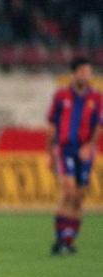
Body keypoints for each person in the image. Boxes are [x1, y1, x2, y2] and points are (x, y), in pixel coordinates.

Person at [47, 57, 101, 255]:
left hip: (85, 151)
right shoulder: (61, 96)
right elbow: (52, 125)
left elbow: (98, 125)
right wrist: (50, 152)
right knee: (68, 190)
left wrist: (90, 146)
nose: (87, 75)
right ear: (75, 73)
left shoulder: (96, 98)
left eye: (89, 72)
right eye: (84, 71)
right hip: (66, 148)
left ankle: (69, 240)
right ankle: (60, 240)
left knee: (79, 197)